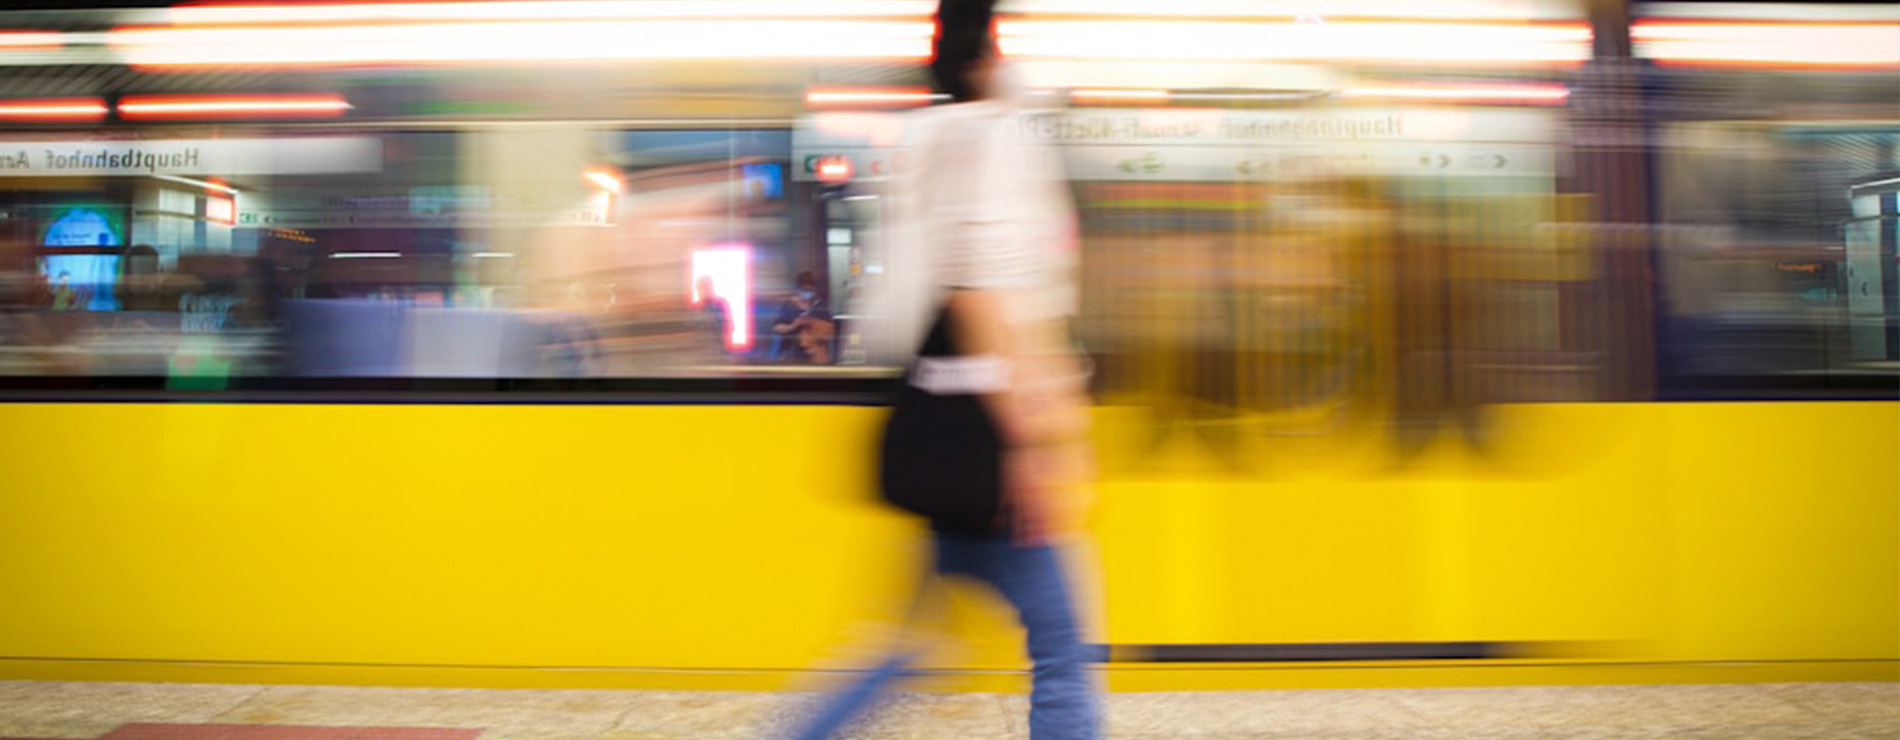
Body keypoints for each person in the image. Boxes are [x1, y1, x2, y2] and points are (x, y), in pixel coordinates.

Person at [779, 1, 1099, 738]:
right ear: (986, 52)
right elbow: (981, 293)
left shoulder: (927, 139)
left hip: (945, 428)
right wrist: (1035, 440)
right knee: (1062, 651)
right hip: (989, 439)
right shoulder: (993, 137)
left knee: (907, 645)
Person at [770, 271, 834, 363]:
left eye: (810, 290)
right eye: (804, 290)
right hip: (792, 356)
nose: (807, 293)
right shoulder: (790, 306)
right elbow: (777, 328)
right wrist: (794, 325)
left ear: (815, 290)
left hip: (816, 358)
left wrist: (813, 323)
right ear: (798, 290)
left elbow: (830, 332)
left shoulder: (821, 306)